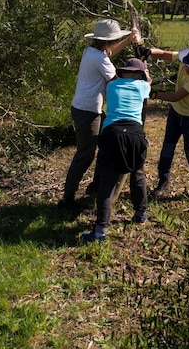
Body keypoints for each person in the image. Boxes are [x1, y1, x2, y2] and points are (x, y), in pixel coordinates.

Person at [60, 19, 140, 210]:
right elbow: (117, 82)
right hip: (88, 112)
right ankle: (67, 199)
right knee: (85, 155)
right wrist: (142, 80)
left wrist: (129, 40)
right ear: (109, 41)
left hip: (85, 108)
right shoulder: (100, 59)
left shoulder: (92, 52)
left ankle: (94, 186)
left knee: (105, 145)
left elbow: (110, 53)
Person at [81, 58, 151, 243]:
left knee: (107, 182)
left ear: (122, 72)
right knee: (137, 174)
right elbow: (148, 83)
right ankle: (141, 213)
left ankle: (100, 230)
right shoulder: (143, 87)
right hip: (135, 134)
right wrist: (146, 72)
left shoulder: (112, 86)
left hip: (112, 133)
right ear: (140, 74)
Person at [145, 44, 189, 199]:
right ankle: (163, 181)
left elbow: (175, 97)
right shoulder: (184, 59)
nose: (188, 69)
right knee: (168, 146)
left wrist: (153, 94)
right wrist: (149, 52)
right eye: (187, 66)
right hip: (176, 111)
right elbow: (162, 54)